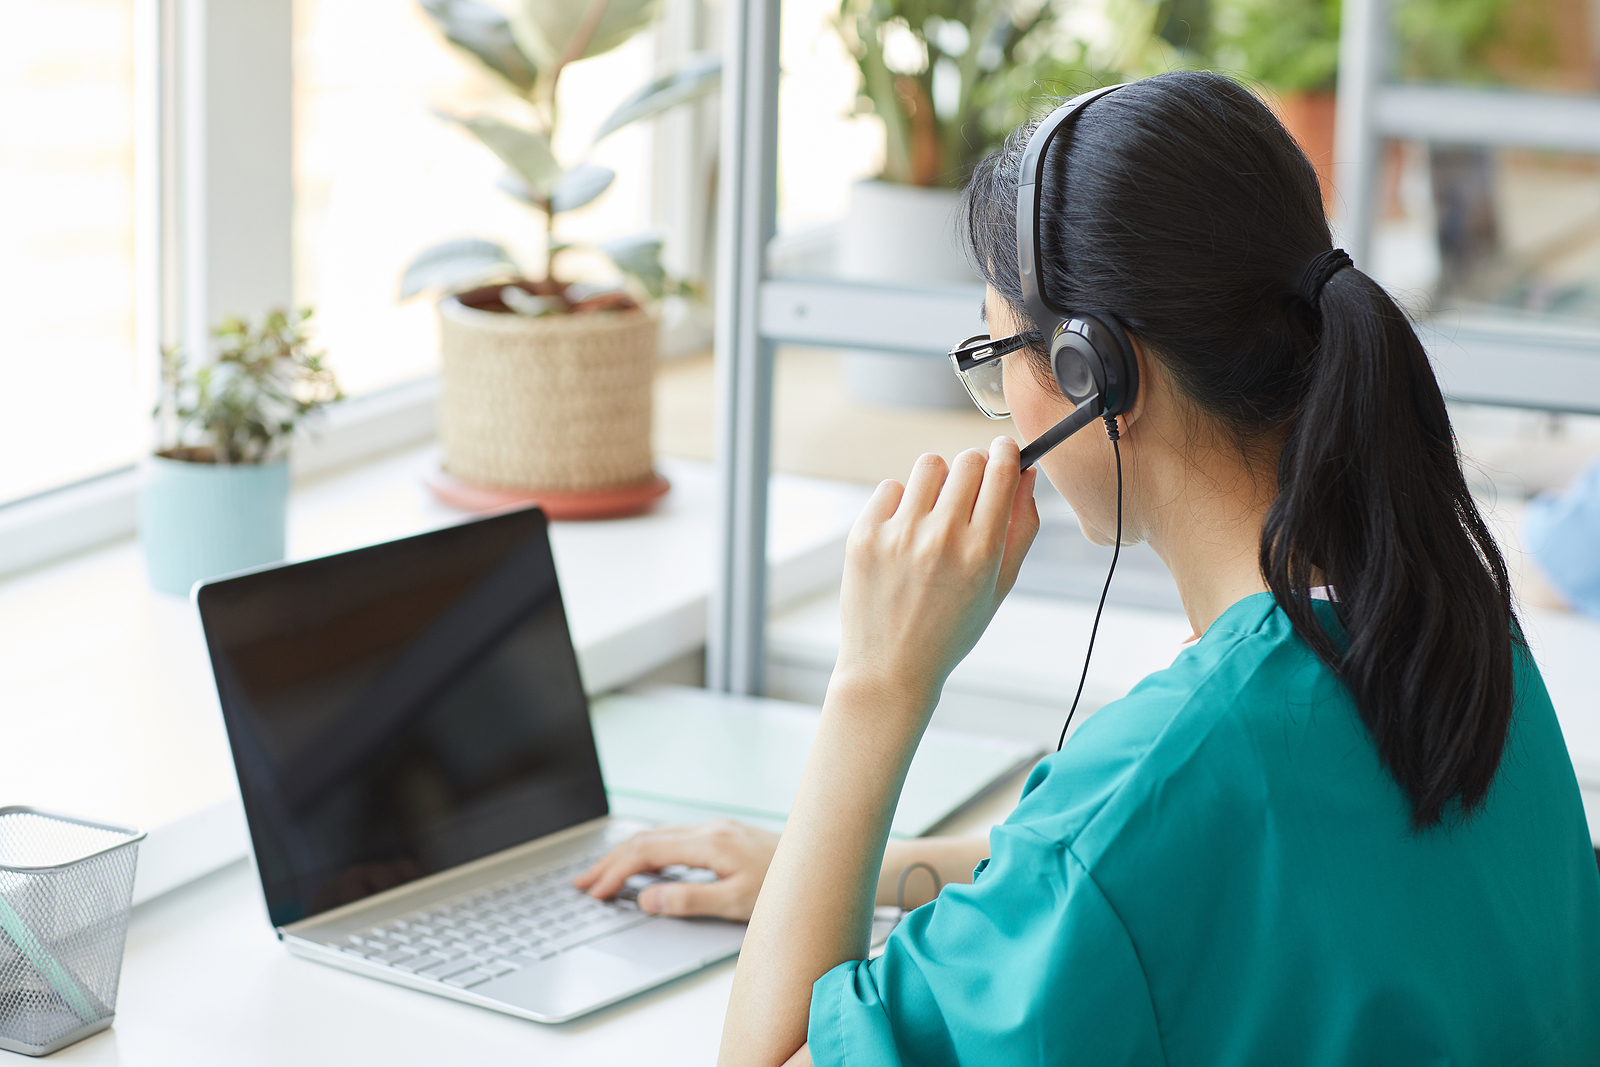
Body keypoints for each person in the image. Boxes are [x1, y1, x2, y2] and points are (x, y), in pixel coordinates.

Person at [575, 71, 1600, 1066]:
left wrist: (876, 682)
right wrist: (824, 873)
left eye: (994, 353)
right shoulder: (1460, 632)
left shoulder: (1169, 773)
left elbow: (1119, 854)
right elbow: (1156, 866)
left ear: (1094, 372)